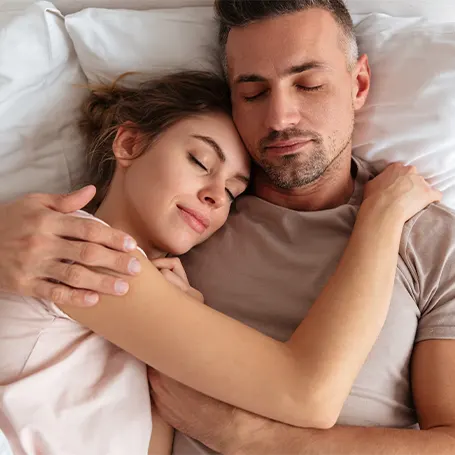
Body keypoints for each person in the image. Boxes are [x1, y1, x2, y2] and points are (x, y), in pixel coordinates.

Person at [0, 0, 454, 454]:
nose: (280, 118)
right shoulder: (158, 236)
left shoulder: (429, 238)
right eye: (253, 93)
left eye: (310, 84)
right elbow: (306, 392)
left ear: (358, 83)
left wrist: (250, 437)